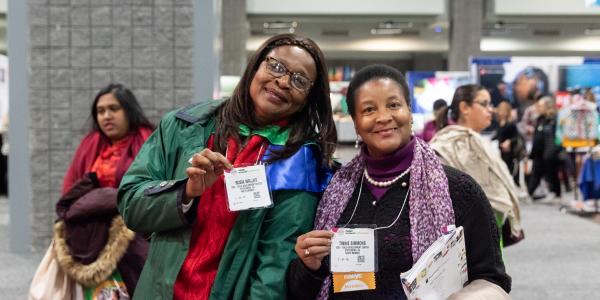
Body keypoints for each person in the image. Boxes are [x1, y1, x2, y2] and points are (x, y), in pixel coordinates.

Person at [117, 33, 337, 299]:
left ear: (308, 98)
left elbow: (273, 269)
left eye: (299, 80)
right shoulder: (184, 126)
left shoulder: (299, 162)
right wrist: (185, 192)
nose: (282, 82)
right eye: (276, 66)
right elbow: (131, 205)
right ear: (255, 66)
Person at [287, 65, 510, 299]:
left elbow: (492, 279)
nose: (384, 117)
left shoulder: (458, 189)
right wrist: (309, 266)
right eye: (369, 109)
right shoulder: (335, 193)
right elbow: (303, 291)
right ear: (355, 123)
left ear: (409, 111)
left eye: (394, 105)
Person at [53, 84, 154, 298]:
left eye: (114, 109)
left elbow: (154, 192)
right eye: (100, 111)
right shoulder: (90, 144)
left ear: (129, 110)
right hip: (92, 241)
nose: (106, 116)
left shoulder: (148, 141)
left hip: (136, 238)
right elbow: (72, 191)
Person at [430, 84, 523, 248]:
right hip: (468, 237)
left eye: (491, 104)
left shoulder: (478, 142)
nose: (491, 110)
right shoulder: (449, 144)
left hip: (491, 229)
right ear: (465, 107)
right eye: (484, 104)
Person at [528, 96, 562, 201]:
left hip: (551, 152)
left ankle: (556, 193)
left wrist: (555, 149)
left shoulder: (554, 119)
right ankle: (531, 192)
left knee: (552, 173)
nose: (539, 108)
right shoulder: (539, 119)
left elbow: (557, 136)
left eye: (541, 106)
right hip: (539, 152)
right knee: (537, 172)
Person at [494, 100, 525, 186]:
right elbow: (498, 135)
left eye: (504, 110)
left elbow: (516, 137)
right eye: (500, 110)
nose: (501, 112)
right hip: (502, 150)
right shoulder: (500, 123)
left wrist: (509, 141)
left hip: (511, 151)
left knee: (511, 169)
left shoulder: (511, 123)